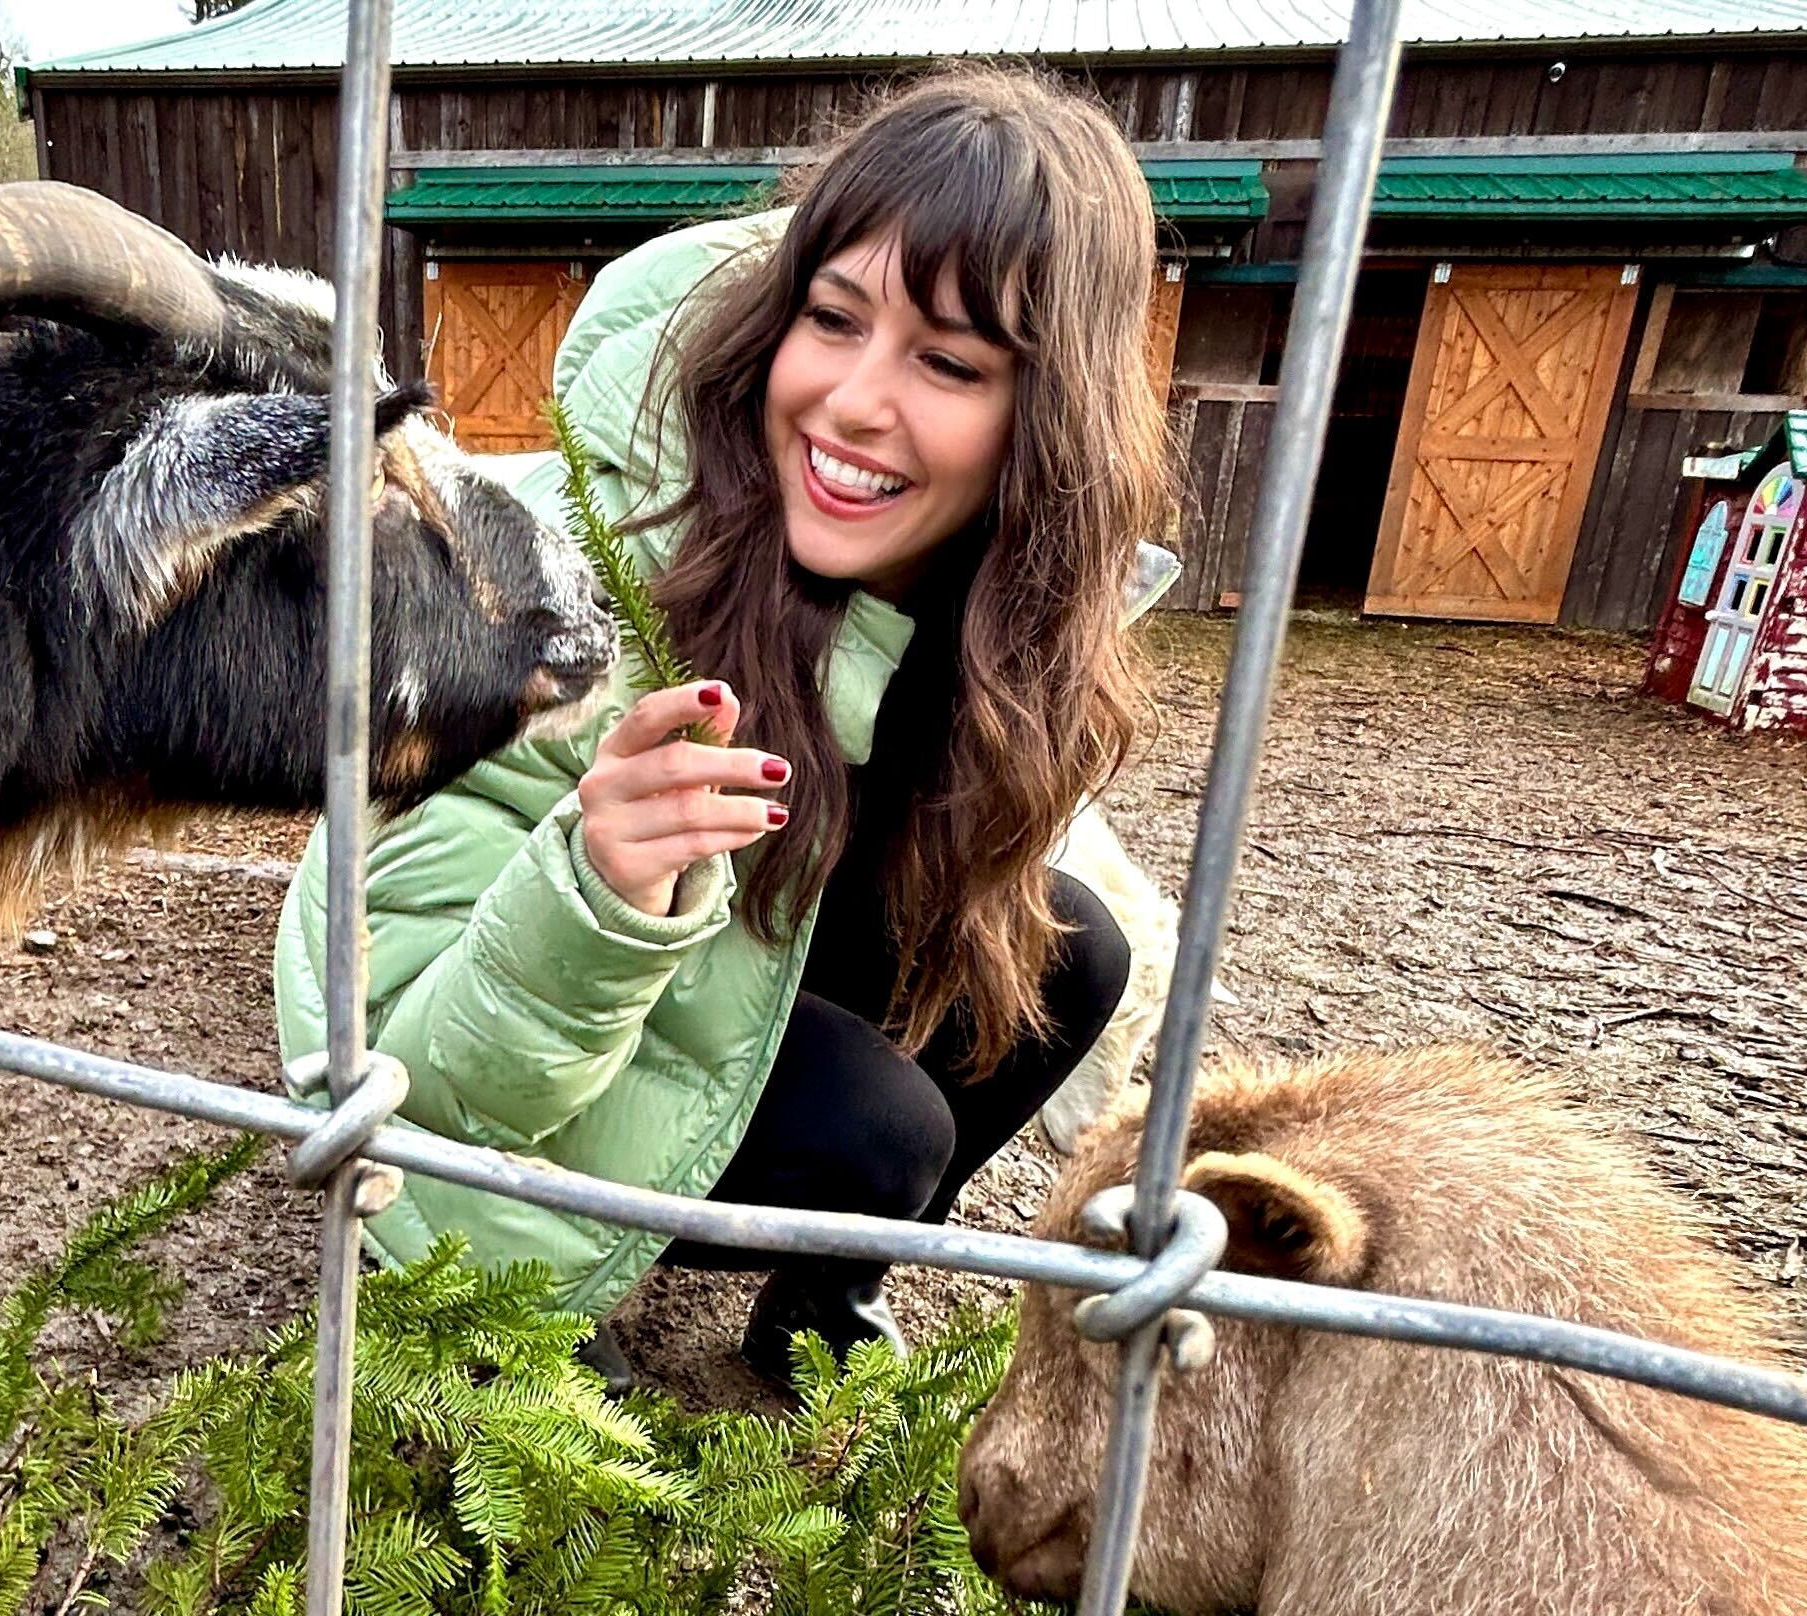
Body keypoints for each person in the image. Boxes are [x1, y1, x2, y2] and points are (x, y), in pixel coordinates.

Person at [275, 63, 1170, 1392]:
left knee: (1068, 955)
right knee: (880, 1130)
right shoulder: (537, 582)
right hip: (467, 1022)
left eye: (946, 360)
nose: (854, 402)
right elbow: (411, 1068)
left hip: (740, 942)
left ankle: (826, 1300)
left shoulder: (996, 612)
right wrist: (594, 888)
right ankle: (513, 1294)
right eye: (832, 318)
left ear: (1043, 422)